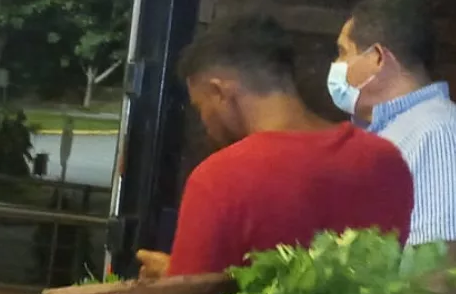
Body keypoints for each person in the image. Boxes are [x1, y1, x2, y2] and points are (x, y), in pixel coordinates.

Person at [136, 15, 413, 279]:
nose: (204, 122)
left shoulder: (218, 179)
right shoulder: (385, 160)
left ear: (219, 91)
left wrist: (174, 279)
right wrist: (178, 270)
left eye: (200, 106)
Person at [330, 0, 456, 294]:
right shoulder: (389, 132)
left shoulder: (436, 131)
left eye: (344, 52)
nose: (337, 65)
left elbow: (437, 272)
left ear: (378, 59)